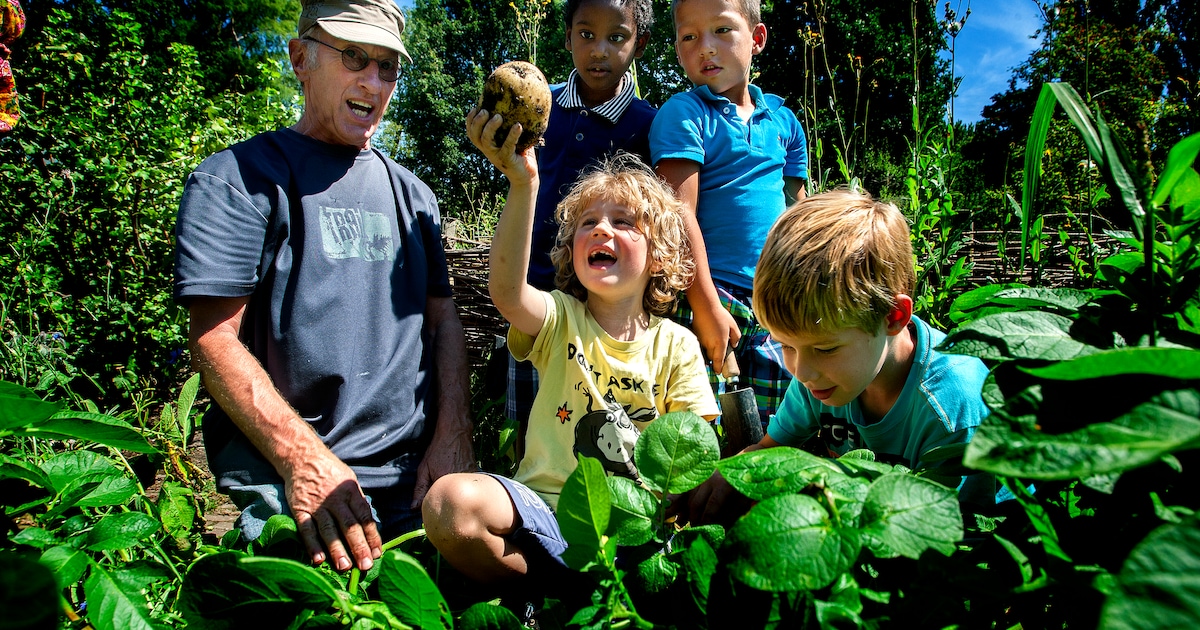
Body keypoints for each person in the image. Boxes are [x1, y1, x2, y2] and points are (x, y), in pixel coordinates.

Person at [173, 0, 474, 574]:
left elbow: (444, 323)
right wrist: (301, 460)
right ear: (299, 58)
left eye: (388, 67)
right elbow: (214, 341)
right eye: (355, 57)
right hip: (289, 483)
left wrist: (453, 433)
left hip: (414, 482)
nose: (374, 80)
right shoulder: (238, 179)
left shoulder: (414, 196)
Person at [422, 112, 718, 589]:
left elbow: (692, 456)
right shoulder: (560, 317)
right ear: (570, 251)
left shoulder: (676, 344)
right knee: (448, 505)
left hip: (631, 527)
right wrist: (524, 183)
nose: (601, 230)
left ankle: (584, 592)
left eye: (623, 222)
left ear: (660, 255)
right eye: (588, 223)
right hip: (545, 515)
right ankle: (552, 589)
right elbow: (507, 293)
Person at [680, 189, 994, 525]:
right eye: (786, 345)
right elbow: (768, 450)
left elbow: (955, 538)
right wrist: (724, 475)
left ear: (892, 316)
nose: (800, 371)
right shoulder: (820, 376)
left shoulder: (950, 407)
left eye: (826, 348)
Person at [651, 0, 808, 430]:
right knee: (705, 430)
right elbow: (677, 217)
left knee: (773, 433)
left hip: (775, 300)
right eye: (689, 37)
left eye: (722, 30)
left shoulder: (786, 122)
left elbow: (799, 213)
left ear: (756, 39)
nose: (706, 47)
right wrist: (705, 307)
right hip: (707, 292)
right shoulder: (684, 114)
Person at [506, 0, 658, 439]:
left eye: (617, 37)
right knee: (533, 432)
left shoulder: (646, 124)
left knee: (599, 430)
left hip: (606, 312)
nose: (599, 51)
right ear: (568, 36)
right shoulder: (537, 106)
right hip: (534, 295)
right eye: (587, 35)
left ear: (640, 44)